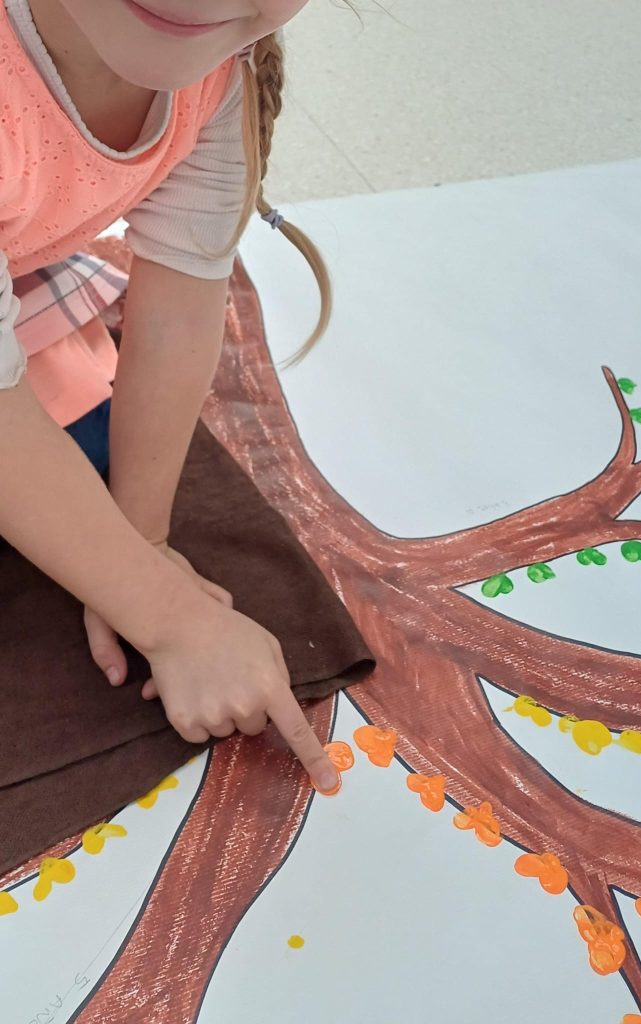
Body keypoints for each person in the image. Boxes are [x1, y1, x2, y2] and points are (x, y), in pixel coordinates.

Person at [0, 0, 342, 793]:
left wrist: (143, 541)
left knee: (82, 489)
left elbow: (181, 299)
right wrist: (171, 618)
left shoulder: (220, 74)